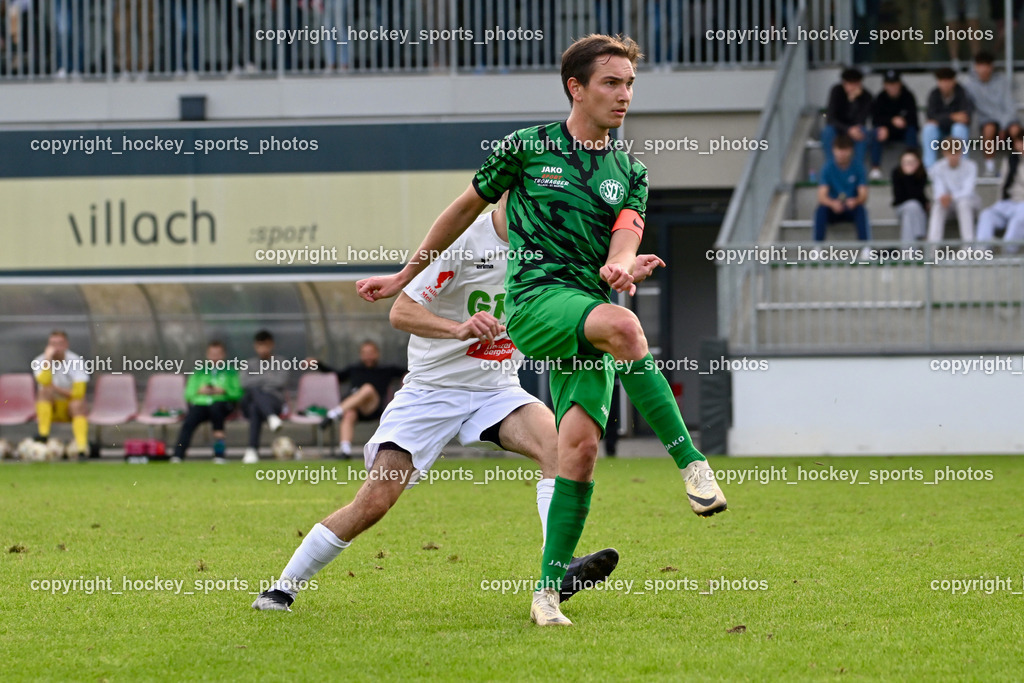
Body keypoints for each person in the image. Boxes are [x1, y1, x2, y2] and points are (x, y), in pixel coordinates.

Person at [355, 33, 727, 627]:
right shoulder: (528, 147)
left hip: (585, 318)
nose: (624, 94)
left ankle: (546, 596)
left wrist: (621, 263)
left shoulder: (630, 170)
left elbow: (627, 232)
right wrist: (406, 273)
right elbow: (461, 210)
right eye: (611, 82)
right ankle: (692, 464)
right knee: (627, 326)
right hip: (535, 304)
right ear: (575, 88)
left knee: (577, 453)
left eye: (630, 83)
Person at [253, 194, 655, 612]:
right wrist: (458, 328)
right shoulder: (464, 244)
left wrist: (623, 273)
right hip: (431, 391)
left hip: (497, 388)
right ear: (508, 194)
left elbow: (579, 285)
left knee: (557, 445)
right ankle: (283, 587)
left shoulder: (548, 244)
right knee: (374, 501)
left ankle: (558, 565)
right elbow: (401, 312)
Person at [315, 341, 406, 457]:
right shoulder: (354, 368)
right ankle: (345, 450)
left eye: (371, 353)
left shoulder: (387, 369)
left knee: (367, 388)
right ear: (360, 354)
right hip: (355, 408)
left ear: (377, 354)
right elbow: (337, 375)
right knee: (349, 414)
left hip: (373, 407)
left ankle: (333, 413)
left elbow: (408, 372)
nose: (368, 356)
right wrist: (318, 364)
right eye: (365, 353)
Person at [172, 340, 243, 463]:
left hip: (223, 404)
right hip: (202, 404)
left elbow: (238, 393)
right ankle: (178, 455)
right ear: (207, 355)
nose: (215, 358)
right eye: (212, 354)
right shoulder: (199, 372)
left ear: (223, 355)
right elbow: (188, 394)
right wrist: (200, 391)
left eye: (218, 354)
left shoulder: (231, 372)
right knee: (189, 421)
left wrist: (224, 391)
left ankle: (219, 454)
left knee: (216, 410)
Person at [962, 51, 1022, 177]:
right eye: (980, 65)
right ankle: (990, 167)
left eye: (987, 65)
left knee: (1016, 130)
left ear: (992, 67)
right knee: (989, 129)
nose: (984, 69)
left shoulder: (1002, 81)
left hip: (1007, 120)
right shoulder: (969, 85)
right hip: (987, 121)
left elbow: (1010, 107)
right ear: (976, 66)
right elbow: (967, 106)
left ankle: (1021, 164)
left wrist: (1003, 126)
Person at [31, 330, 90, 457]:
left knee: (78, 404)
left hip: (70, 409)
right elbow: (44, 382)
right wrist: (48, 360)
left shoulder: (76, 361)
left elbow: (79, 392)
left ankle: (81, 448)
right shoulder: (40, 361)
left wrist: (55, 388)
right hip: (50, 409)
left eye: (60, 343)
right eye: (53, 344)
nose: (56, 347)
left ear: (66, 345)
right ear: (48, 346)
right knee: (43, 393)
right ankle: (44, 435)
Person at [239, 330, 287, 464]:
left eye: (265, 345)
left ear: (271, 345)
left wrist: (256, 379)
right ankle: (271, 417)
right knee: (254, 391)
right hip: (249, 401)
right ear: (255, 346)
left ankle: (252, 450)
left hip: (274, 400)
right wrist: (267, 377)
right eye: (259, 346)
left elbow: (280, 381)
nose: (262, 349)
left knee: (255, 406)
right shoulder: (249, 363)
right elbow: (243, 383)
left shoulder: (281, 361)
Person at [814, 134, 870, 245]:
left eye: (844, 150)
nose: (841, 154)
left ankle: (865, 247)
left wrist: (855, 201)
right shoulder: (827, 168)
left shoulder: (858, 167)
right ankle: (817, 248)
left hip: (851, 207)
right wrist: (832, 203)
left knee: (861, 210)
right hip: (833, 208)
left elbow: (863, 194)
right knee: (821, 210)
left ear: (851, 151)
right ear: (833, 150)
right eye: (839, 150)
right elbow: (821, 196)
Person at [976, 133, 1024, 253]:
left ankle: (1008, 250)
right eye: (1019, 142)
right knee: (987, 214)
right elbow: (1002, 184)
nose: (1021, 145)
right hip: (1009, 202)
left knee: (1020, 216)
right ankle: (982, 250)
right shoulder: (1010, 160)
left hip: (1023, 204)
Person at [868, 69, 919, 181]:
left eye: (894, 84)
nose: (892, 87)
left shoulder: (908, 96)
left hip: (903, 131)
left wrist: (903, 122)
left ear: (900, 83)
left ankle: (912, 165)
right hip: (887, 132)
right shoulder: (880, 98)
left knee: (912, 131)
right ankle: (875, 168)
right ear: (884, 85)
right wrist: (890, 122)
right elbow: (875, 119)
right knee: (878, 132)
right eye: (889, 84)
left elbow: (914, 120)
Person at [927, 138, 980, 243]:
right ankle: (932, 249)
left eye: (956, 152)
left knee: (963, 203)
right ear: (944, 153)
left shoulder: (971, 166)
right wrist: (943, 197)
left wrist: (951, 197)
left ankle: (968, 247)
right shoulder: (937, 167)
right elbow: (938, 190)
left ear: (961, 151)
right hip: (949, 204)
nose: (953, 156)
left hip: (969, 204)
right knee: (938, 205)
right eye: (950, 152)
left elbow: (968, 191)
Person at [923, 67, 972, 169]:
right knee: (929, 129)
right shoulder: (934, 94)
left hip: (955, 130)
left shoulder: (962, 93)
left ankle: (963, 166)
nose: (945, 84)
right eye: (942, 81)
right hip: (940, 131)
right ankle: (929, 169)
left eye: (948, 81)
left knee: (959, 128)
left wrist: (941, 118)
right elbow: (930, 116)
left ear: (954, 81)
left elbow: (965, 117)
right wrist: (952, 116)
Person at [822, 67, 872, 167]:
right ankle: (831, 166)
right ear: (844, 83)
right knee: (827, 131)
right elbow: (830, 118)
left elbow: (861, 120)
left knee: (862, 133)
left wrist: (853, 101)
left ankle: (858, 168)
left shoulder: (866, 96)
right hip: (838, 128)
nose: (852, 87)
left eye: (855, 84)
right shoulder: (836, 91)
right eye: (849, 84)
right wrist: (848, 129)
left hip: (854, 129)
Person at [891, 149, 929, 244]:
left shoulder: (921, 173)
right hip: (901, 207)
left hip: (915, 211)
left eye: (911, 162)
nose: (908, 164)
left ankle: (908, 252)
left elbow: (919, 194)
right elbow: (900, 197)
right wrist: (908, 176)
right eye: (905, 162)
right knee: (912, 205)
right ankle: (921, 234)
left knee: (909, 215)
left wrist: (910, 176)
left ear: (918, 163)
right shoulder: (896, 173)